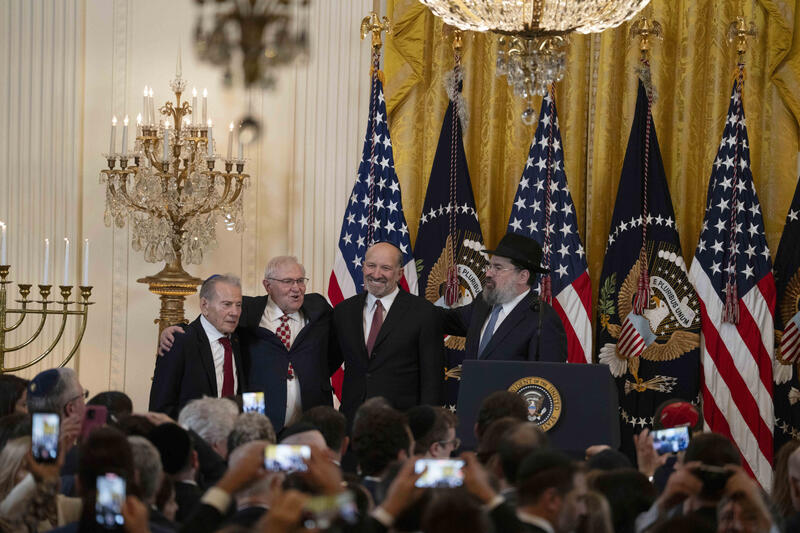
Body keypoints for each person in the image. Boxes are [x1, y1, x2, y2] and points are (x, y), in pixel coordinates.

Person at [160, 256, 340, 433]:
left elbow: (337, 347)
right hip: (262, 424)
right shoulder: (246, 309)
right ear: (268, 285)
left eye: (300, 280)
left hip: (311, 422)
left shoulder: (318, 307)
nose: (297, 288)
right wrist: (177, 328)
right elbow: (212, 320)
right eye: (287, 281)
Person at [332, 241, 444, 424]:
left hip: (402, 423)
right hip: (353, 422)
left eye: (386, 268)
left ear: (400, 273)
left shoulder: (423, 313)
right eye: (371, 265)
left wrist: (425, 427)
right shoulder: (344, 311)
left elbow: (432, 380)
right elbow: (328, 362)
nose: (376, 274)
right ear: (363, 267)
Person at [438, 232, 567, 361]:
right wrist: (422, 306)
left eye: (498, 268)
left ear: (522, 277)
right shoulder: (483, 303)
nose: (488, 273)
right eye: (490, 266)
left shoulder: (543, 319)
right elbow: (446, 320)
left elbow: (547, 373)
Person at [149, 274, 246, 418]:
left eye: (238, 305)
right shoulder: (179, 342)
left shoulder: (244, 340)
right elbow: (160, 408)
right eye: (226, 304)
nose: (235, 312)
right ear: (204, 305)